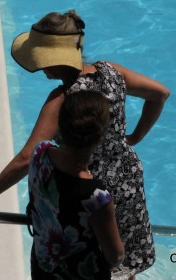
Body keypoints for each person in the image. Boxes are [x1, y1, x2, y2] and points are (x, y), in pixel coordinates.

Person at [0, 10, 170, 278]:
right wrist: (134, 138)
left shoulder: (63, 99)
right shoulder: (112, 72)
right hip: (126, 181)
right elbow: (160, 94)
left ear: (51, 61)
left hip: (84, 192)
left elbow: (26, 159)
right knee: (119, 260)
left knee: (88, 260)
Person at [28, 90, 124, 279]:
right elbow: (116, 256)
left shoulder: (40, 153)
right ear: (101, 136)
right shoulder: (97, 197)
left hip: (44, 268)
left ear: (61, 125)